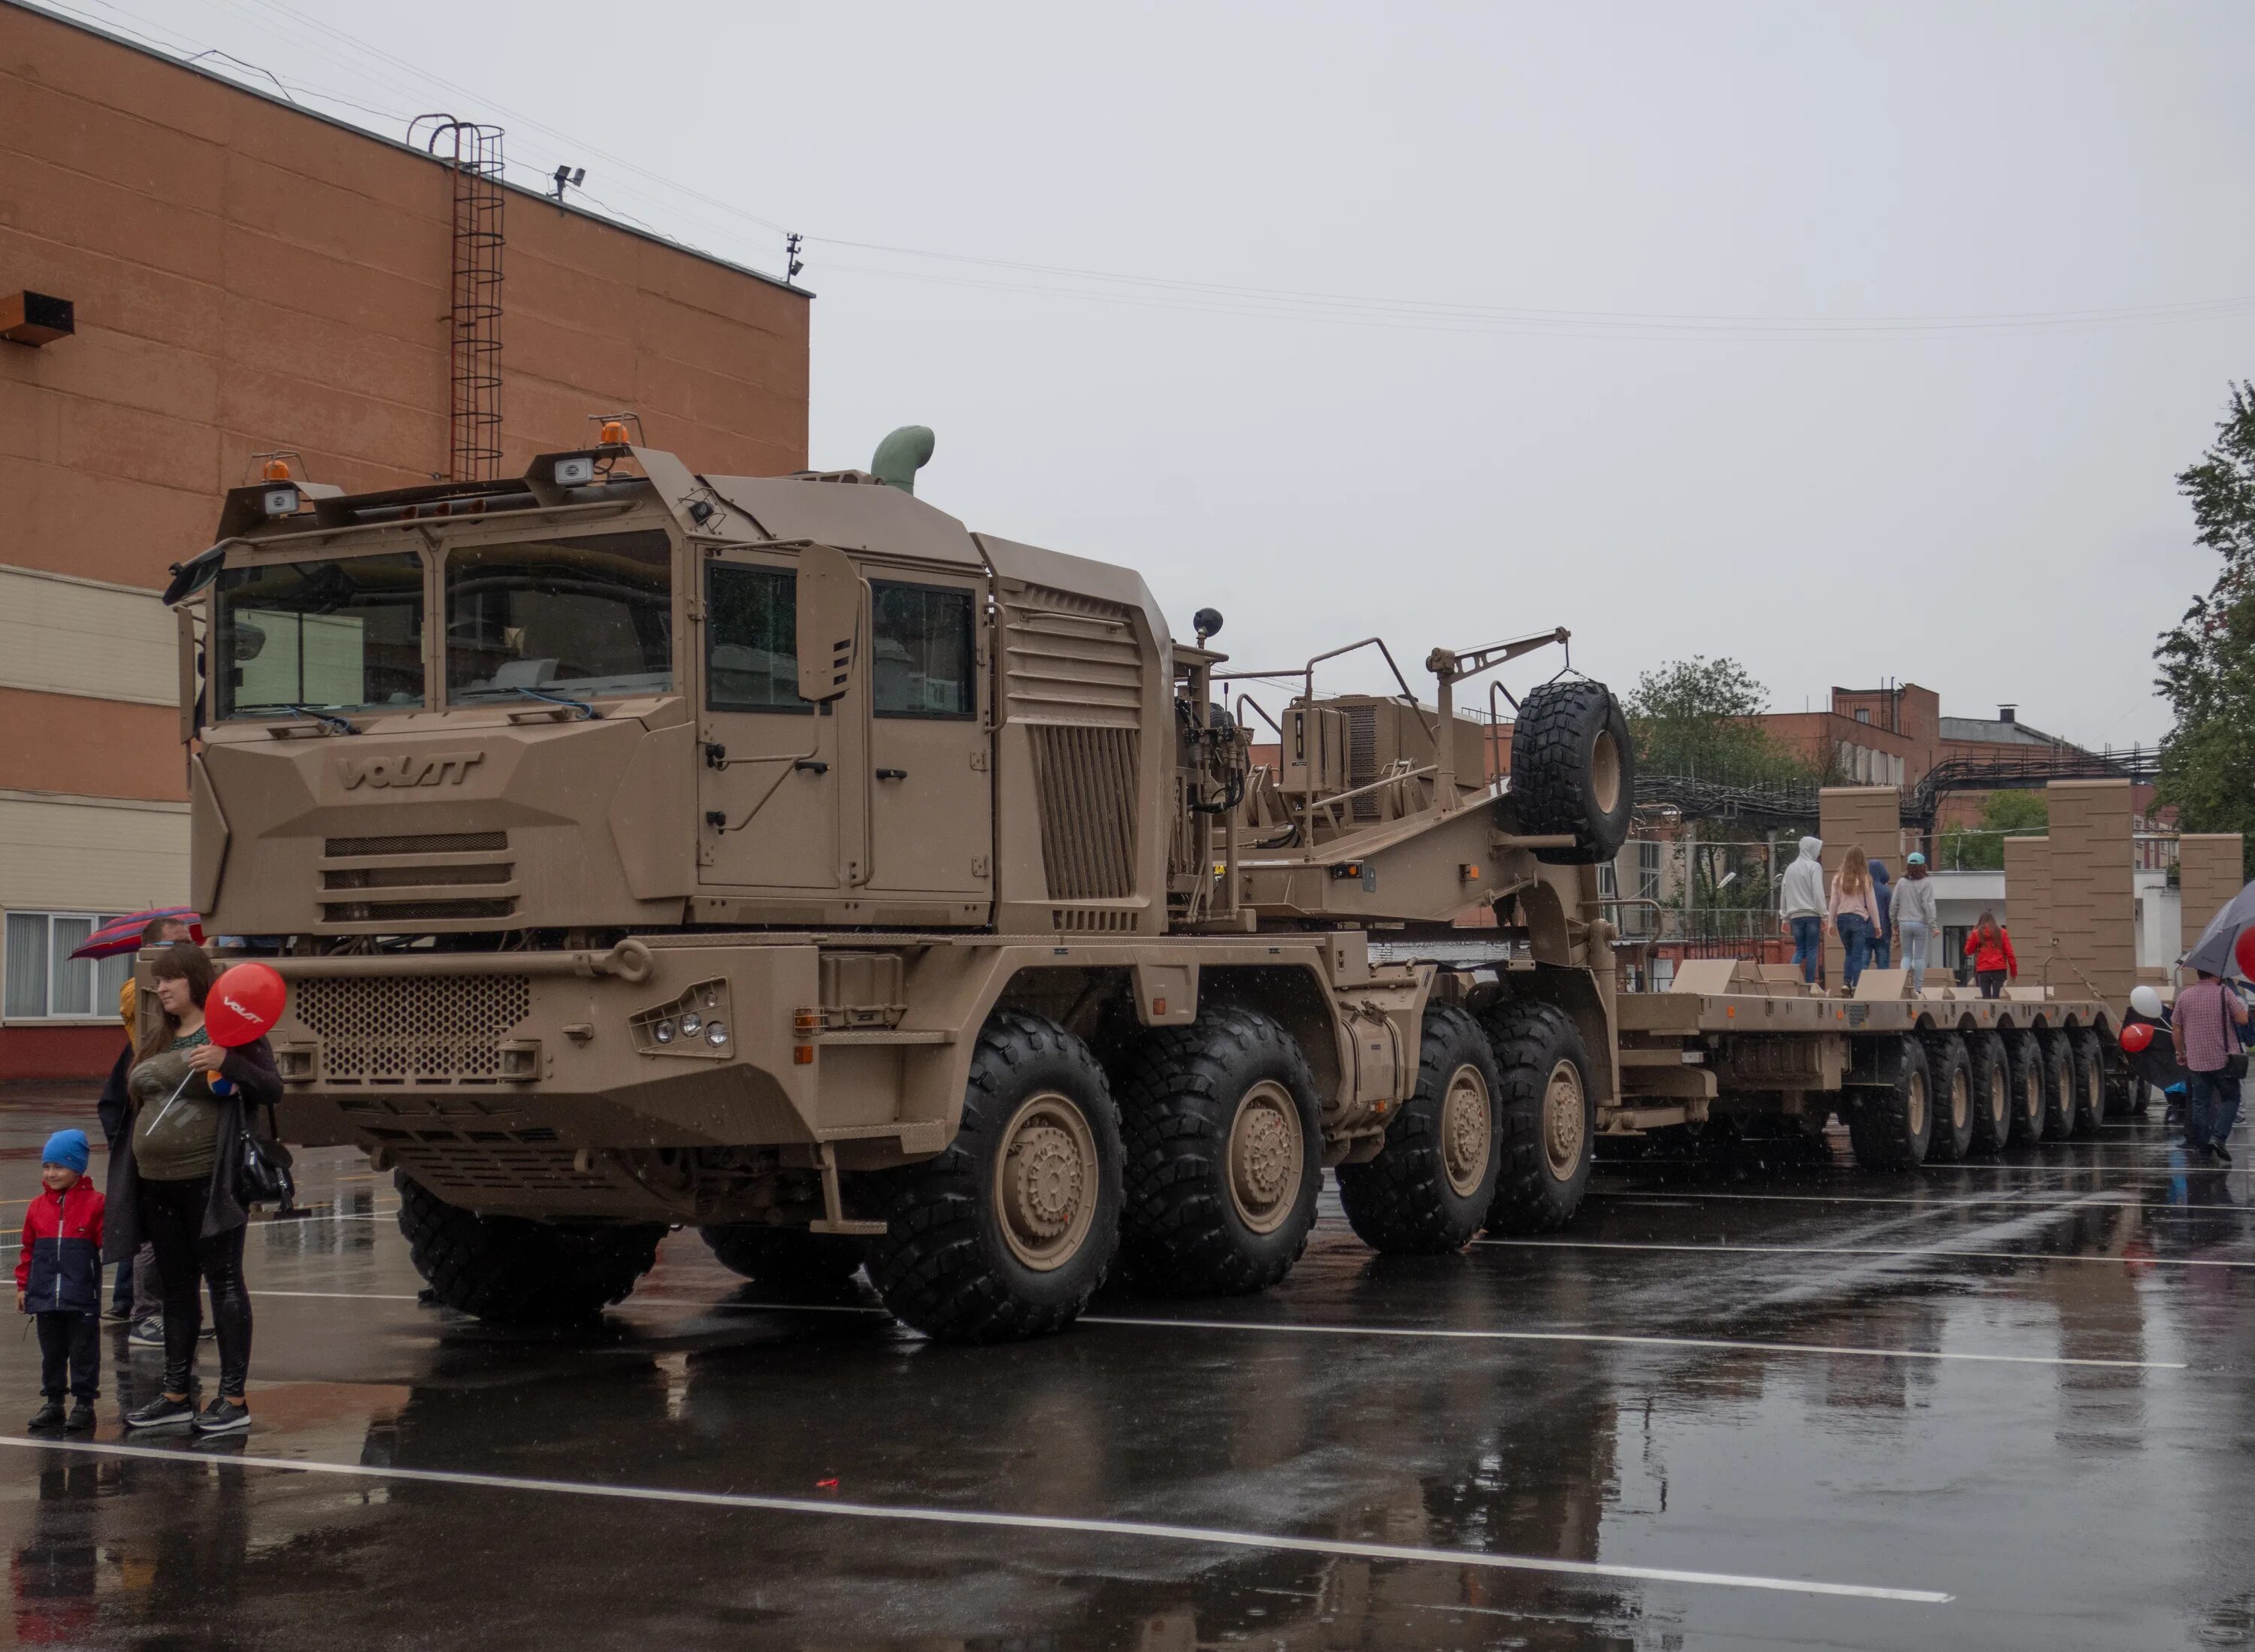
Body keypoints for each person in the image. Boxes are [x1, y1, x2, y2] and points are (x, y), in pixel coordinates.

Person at [104, 943, 280, 1436]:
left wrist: (228, 1061)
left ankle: (233, 1398)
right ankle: (177, 1394)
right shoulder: (158, 1035)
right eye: (159, 981)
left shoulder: (230, 1031)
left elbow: (272, 1089)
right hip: (157, 1184)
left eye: (171, 979)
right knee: (176, 1287)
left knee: (224, 1281)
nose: (160, 988)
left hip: (209, 1181)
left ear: (196, 981)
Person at [97, 915, 190, 1331]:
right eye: (177, 945)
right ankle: (143, 1311)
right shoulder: (141, 990)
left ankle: (128, 1302)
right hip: (153, 1109)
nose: (188, 952)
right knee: (149, 1222)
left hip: (171, 1102)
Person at [17, 1130, 104, 1433]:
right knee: (52, 1353)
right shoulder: (37, 1207)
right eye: (47, 1166)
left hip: (82, 1295)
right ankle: (53, 1401)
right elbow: (27, 1250)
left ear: (78, 1168)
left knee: (83, 1353)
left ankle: (84, 1404)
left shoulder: (96, 1203)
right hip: (44, 1295)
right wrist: (23, 1286)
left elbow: (108, 1241)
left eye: (59, 1167)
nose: (51, 1173)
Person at [2172, 967, 2250, 1163]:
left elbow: (2177, 1029)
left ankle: (2203, 1148)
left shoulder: (2184, 996)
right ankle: (2219, 1137)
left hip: (2197, 1061)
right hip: (2224, 1059)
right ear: (2216, 974)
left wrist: (2180, 1053)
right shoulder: (2225, 993)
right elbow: (2243, 1019)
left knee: (2200, 1104)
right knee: (2231, 1099)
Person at [1828, 845, 1881, 993]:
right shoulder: (1865, 879)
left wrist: (1831, 922)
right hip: (1858, 919)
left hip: (1842, 919)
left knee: (1849, 953)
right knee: (1857, 955)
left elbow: (1833, 902)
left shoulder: (1838, 879)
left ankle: (1846, 983)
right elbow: (1872, 905)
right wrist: (1877, 926)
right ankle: (1857, 985)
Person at [1779, 835, 1827, 986]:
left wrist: (1784, 918)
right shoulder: (1814, 866)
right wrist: (1824, 915)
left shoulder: (1790, 868)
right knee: (1812, 950)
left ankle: (1791, 980)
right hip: (1812, 914)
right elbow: (1818, 892)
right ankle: (1810, 984)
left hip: (1795, 916)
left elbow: (1784, 892)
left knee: (1799, 949)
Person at [1891, 852, 1939, 992]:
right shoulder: (1926, 884)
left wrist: (1894, 922)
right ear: (1923, 866)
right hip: (1920, 923)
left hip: (1904, 922)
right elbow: (1928, 906)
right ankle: (1917, 988)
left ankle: (1903, 986)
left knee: (1906, 956)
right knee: (1919, 957)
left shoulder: (1901, 883)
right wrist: (1934, 926)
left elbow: (1894, 904)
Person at [1963, 912, 2017, 1000]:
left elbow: (1967, 951)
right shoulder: (2002, 933)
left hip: (1983, 970)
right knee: (1997, 997)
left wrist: (1977, 945)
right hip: (1999, 970)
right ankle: (1997, 1013)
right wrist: (2013, 973)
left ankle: (1987, 1013)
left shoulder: (1977, 933)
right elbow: (2010, 954)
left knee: (1986, 998)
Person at [1868, 858, 1893, 970]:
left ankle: (1858, 985)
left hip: (1865, 931)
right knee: (1883, 963)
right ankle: (1882, 986)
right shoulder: (1886, 890)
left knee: (1863, 962)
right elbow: (1890, 912)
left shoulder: (1863, 889)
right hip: (1883, 931)